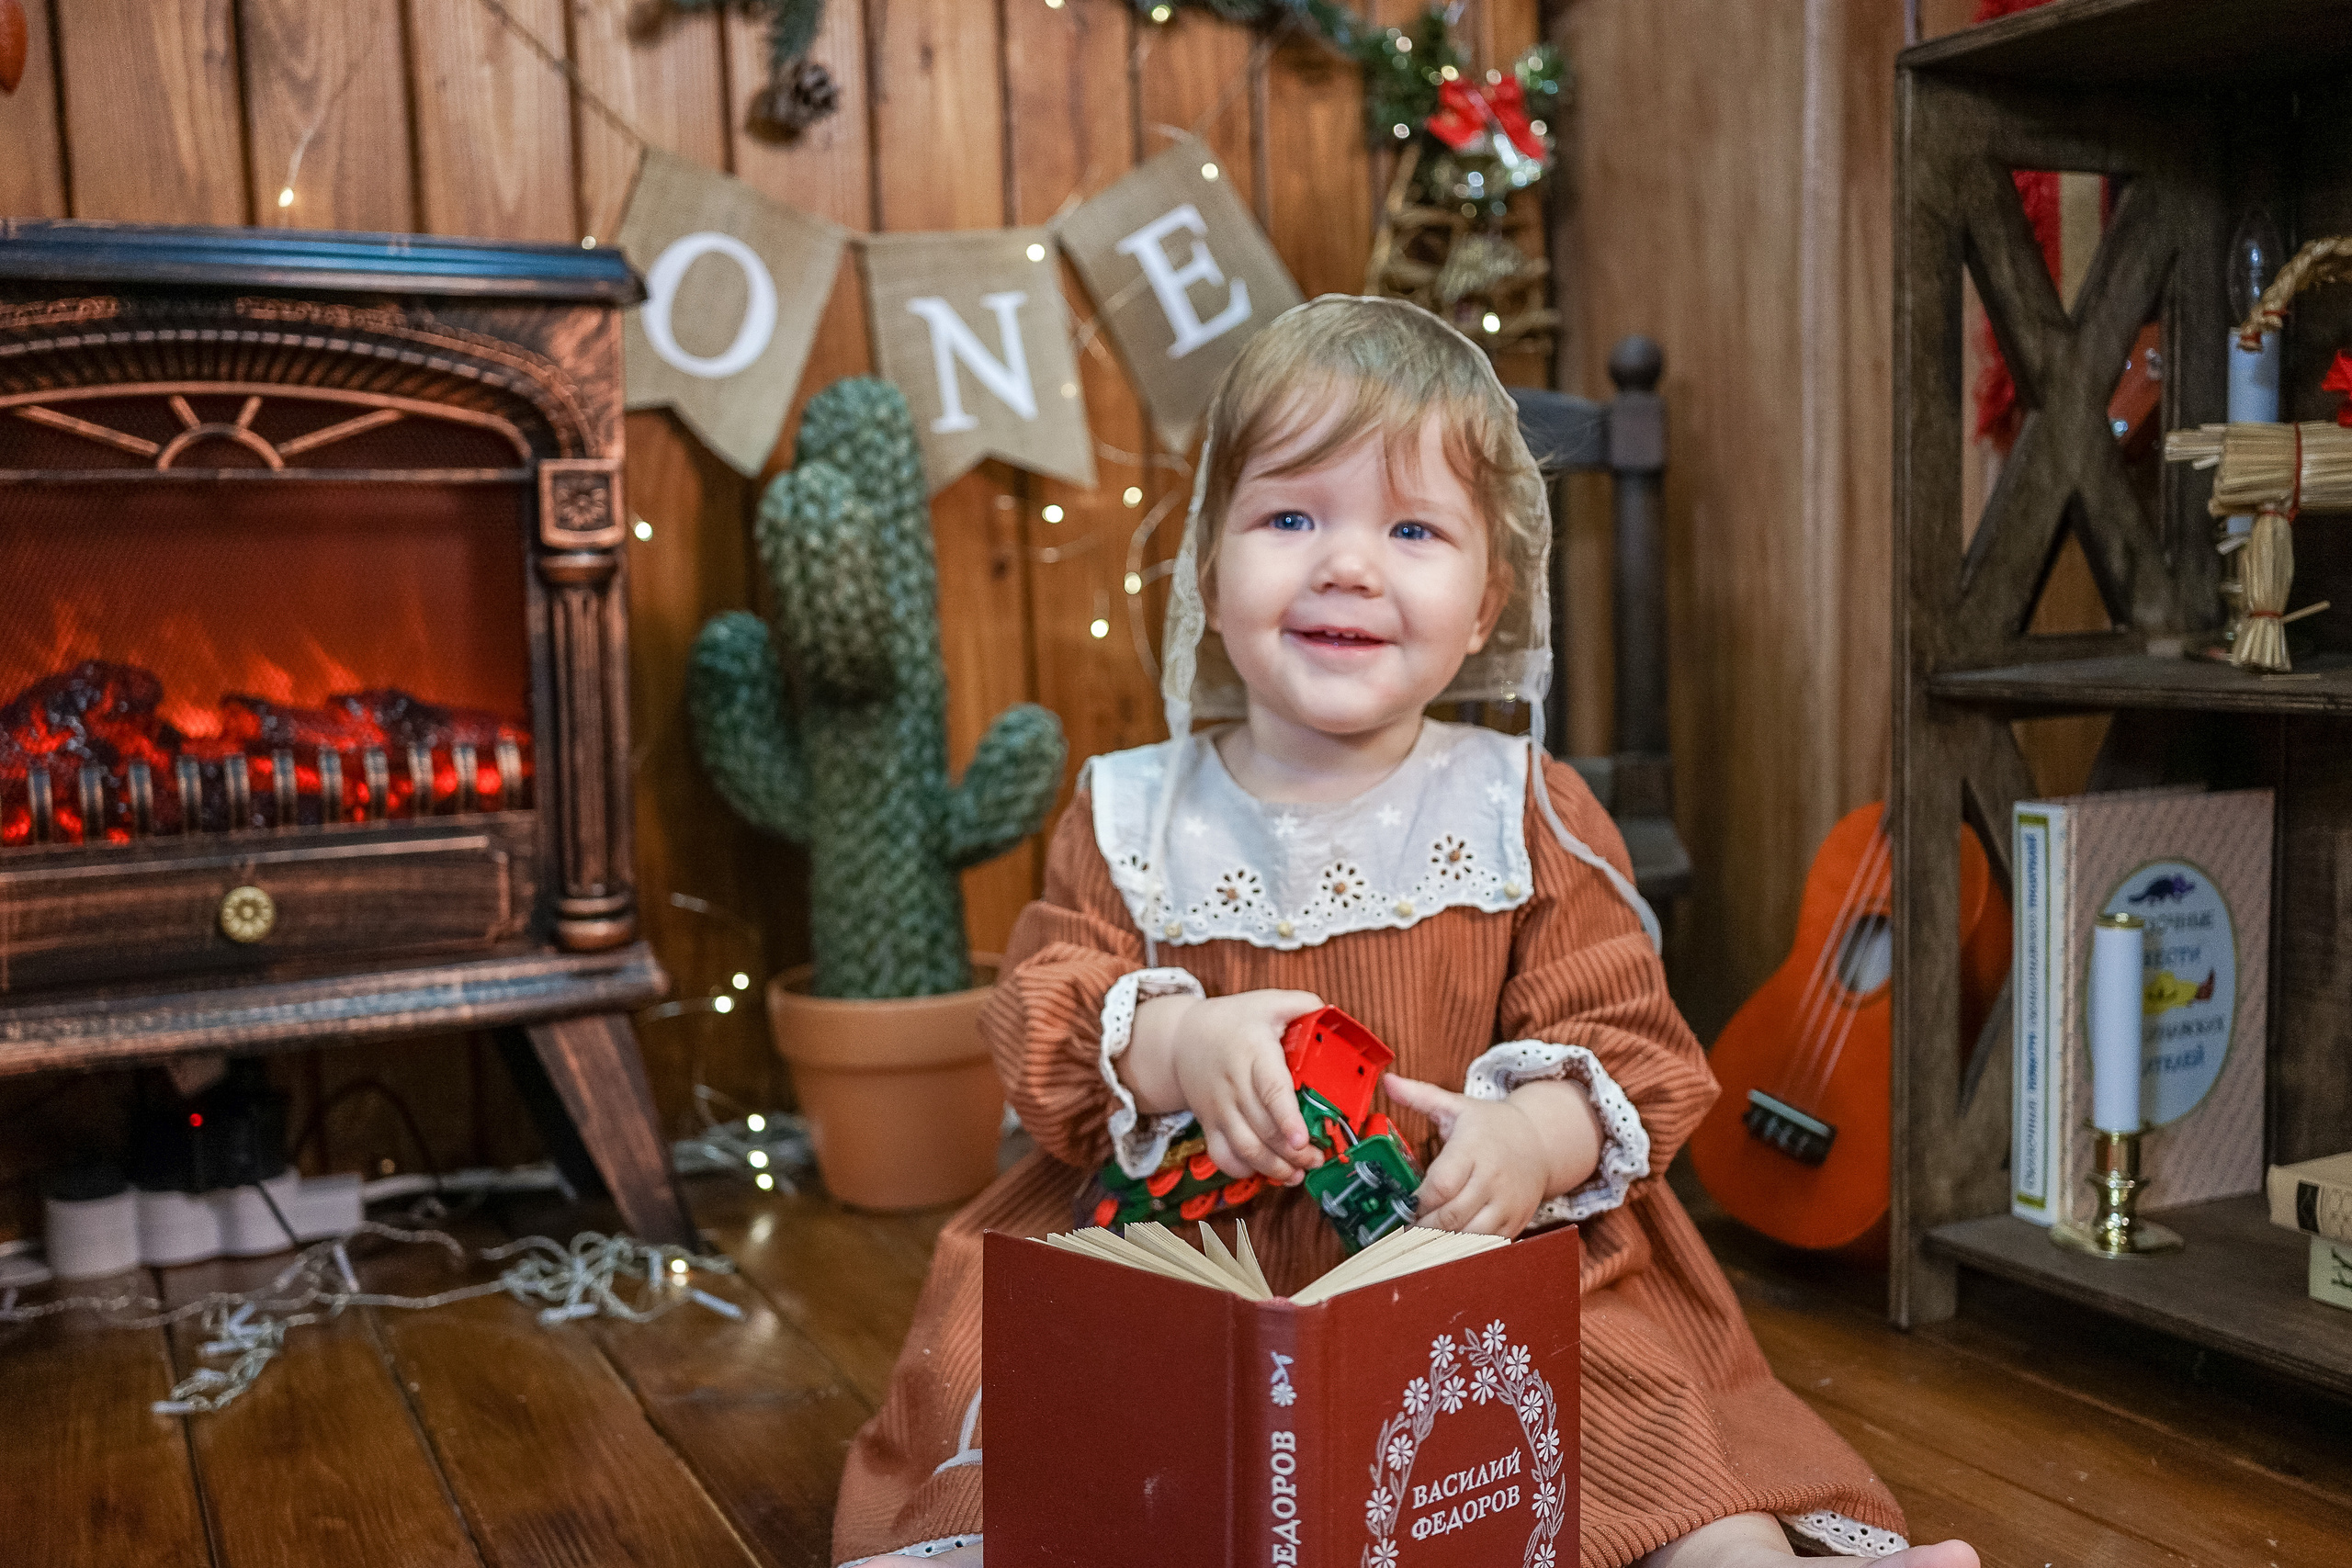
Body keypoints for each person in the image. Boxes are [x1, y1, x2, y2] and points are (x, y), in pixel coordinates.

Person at [832, 296, 1978, 1568]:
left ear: (1487, 601)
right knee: (1053, 1430)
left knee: (1641, 1432)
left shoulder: (1517, 806)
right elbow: (1051, 994)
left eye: (1413, 529)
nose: (1348, 565)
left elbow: (1621, 1032)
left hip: (1464, 1249)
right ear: (1210, 569)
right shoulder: (1135, 809)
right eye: (1289, 518)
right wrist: (1180, 1044)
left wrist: (1532, 1140)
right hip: (1178, 1253)